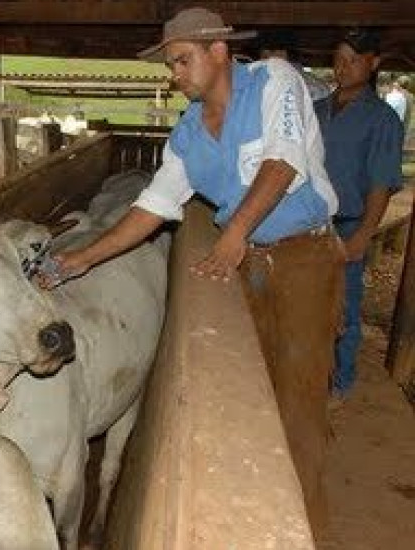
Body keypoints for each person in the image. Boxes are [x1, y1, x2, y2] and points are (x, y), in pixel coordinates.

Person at [41, 6, 344, 524]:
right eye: (171, 65)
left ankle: (301, 522)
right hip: (246, 260)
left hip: (302, 257)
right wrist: (80, 260)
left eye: (183, 61)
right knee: (254, 389)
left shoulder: (274, 81)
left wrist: (234, 235)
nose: (174, 75)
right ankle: (249, 508)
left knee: (298, 400)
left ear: (219, 51)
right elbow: (151, 209)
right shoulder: (186, 134)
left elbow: (283, 160)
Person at [313, 29, 405, 403]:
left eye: (353, 60)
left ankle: (342, 380)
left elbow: (381, 183)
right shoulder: (317, 110)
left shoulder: (383, 120)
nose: (343, 67)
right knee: (308, 297)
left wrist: (364, 235)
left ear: (374, 63)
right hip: (309, 221)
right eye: (338, 59)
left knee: (344, 305)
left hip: (349, 222)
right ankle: (309, 370)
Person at [257, 28, 333, 101]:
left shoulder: (313, 87)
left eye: (267, 56)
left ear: (283, 54)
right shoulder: (318, 86)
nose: (265, 62)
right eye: (264, 56)